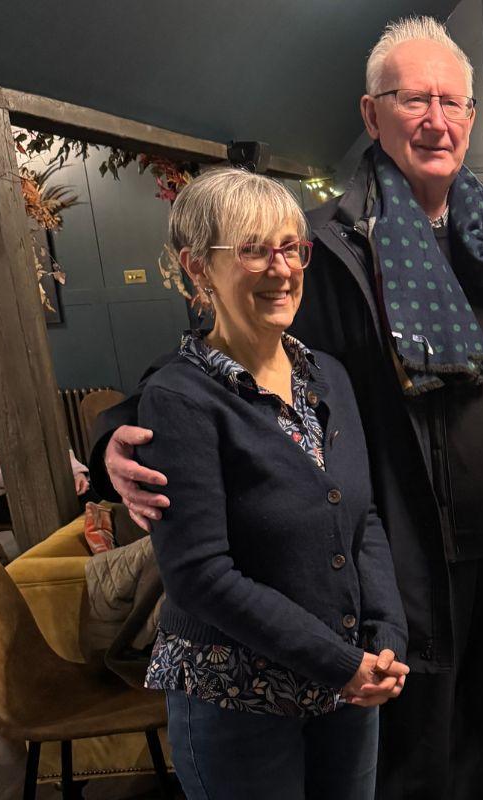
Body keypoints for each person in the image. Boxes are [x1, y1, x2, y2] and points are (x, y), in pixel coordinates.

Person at [89, 16, 483, 799]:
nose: (437, 119)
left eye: (453, 102)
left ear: (472, 117)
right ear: (371, 115)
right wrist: (105, 439)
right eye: (414, 99)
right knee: (416, 761)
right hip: (408, 562)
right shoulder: (329, 248)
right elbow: (214, 354)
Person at [135, 168, 407, 799]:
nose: (282, 268)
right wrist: (340, 664)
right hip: (237, 700)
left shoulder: (327, 377)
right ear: (198, 268)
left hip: (347, 688)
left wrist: (386, 639)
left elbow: (362, 521)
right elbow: (201, 576)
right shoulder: (178, 397)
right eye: (254, 250)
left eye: (291, 246)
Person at [0, 354, 90, 565]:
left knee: (91, 496)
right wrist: (29, 479)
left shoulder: (17, 395)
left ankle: (83, 562)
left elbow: (54, 441)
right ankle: (51, 567)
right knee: (55, 503)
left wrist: (75, 472)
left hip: (36, 480)